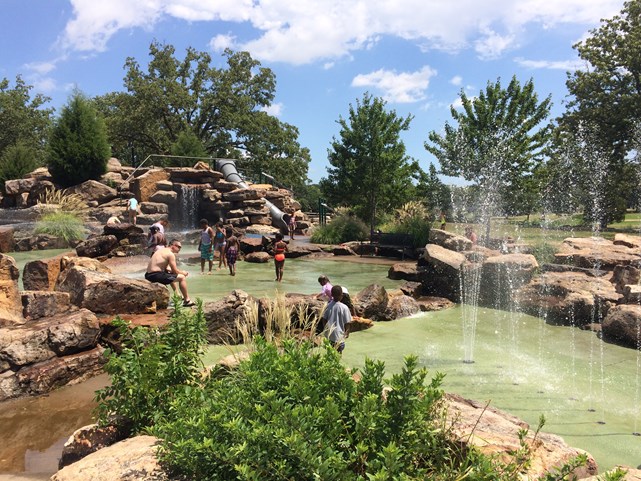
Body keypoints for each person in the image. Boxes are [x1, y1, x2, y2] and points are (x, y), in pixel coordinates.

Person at [144, 239, 195, 307]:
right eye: (179, 247)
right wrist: (183, 273)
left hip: (148, 274)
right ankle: (187, 300)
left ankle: (177, 294)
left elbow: (167, 269)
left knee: (169, 274)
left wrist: (171, 271)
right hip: (155, 275)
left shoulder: (161, 250)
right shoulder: (170, 254)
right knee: (181, 277)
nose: (180, 249)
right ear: (173, 246)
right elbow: (175, 271)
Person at [320, 285, 352, 354]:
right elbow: (348, 323)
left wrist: (326, 330)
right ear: (342, 295)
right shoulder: (344, 308)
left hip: (330, 336)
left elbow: (324, 320)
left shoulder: (328, 306)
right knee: (338, 354)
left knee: (330, 354)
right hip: (339, 337)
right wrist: (347, 333)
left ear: (331, 295)